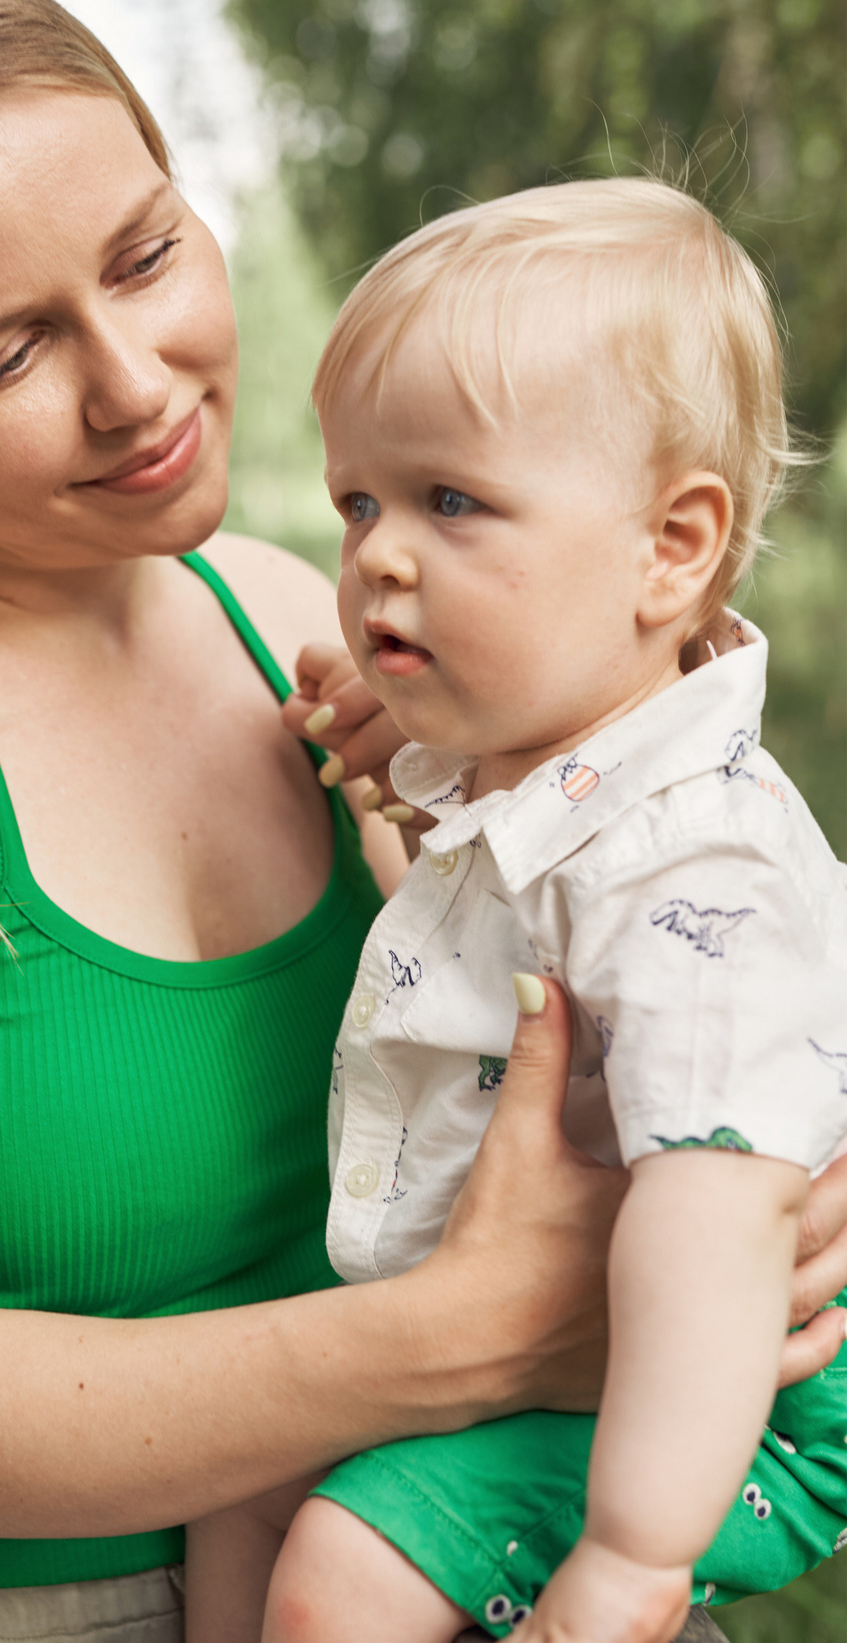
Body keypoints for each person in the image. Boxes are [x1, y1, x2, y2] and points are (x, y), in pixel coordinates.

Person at [0, 0, 847, 1642]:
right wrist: (509, 1324)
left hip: (308, 1551)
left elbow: (651, 887)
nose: (138, 383)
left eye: (146, 254)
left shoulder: (307, 625)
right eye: (6, 352)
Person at [190, 182, 847, 1643]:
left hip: (722, 1396)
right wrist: (405, 734)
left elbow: (720, 1225)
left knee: (341, 1574)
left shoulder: (700, 878)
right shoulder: (557, 748)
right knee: (232, 1476)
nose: (377, 554)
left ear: (670, 548)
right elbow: (496, 893)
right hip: (579, 1335)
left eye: (452, 502)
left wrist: (631, 1549)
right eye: (361, 498)